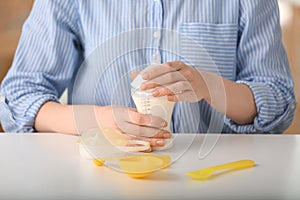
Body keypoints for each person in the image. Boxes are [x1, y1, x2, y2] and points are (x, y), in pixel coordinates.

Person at [0, 0, 296, 149]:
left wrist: (209, 86)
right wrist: (99, 122)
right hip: (96, 178)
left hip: (218, 179)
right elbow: (18, 97)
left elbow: (278, 101)